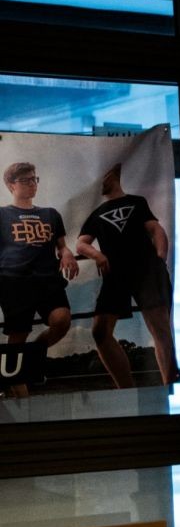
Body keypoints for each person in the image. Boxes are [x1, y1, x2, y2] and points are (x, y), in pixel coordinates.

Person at [75, 163, 177, 388]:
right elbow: (81, 244)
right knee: (100, 331)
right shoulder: (96, 213)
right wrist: (97, 255)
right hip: (115, 273)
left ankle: (168, 386)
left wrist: (160, 259)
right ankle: (126, 390)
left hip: (146, 269)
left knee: (159, 327)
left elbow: (156, 229)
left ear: (114, 174)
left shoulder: (137, 202)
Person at [0, 162, 79, 397]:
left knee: (61, 320)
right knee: (18, 335)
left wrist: (66, 253)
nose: (32, 184)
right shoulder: (2, 214)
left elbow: (62, 246)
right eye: (25, 180)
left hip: (47, 279)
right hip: (14, 281)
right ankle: (20, 393)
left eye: (34, 179)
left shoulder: (50, 214)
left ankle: (31, 356)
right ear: (11, 185)